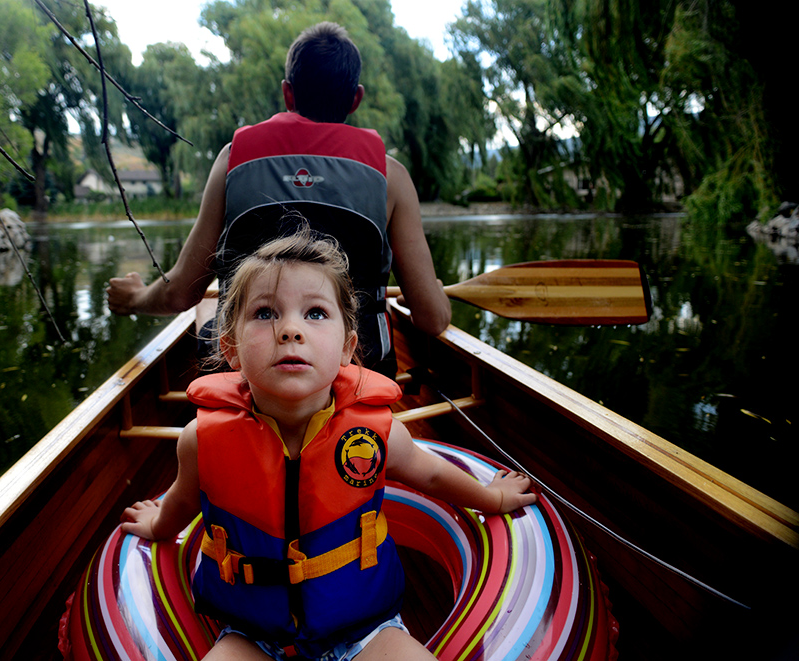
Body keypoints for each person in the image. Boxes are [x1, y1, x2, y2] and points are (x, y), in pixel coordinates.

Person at [120, 228, 536, 661]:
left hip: (365, 629)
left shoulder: (376, 434)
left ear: (347, 346)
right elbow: (184, 501)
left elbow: (430, 472)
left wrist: (490, 498)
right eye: (265, 313)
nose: (291, 330)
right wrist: (157, 527)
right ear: (231, 349)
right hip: (251, 634)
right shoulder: (200, 441)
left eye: (315, 313)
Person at [106, 22, 450, 375]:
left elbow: (180, 293)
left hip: (249, 377)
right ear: (355, 99)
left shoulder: (232, 160)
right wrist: (432, 293)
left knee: (206, 309)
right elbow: (432, 318)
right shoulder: (390, 175)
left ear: (288, 93)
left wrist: (134, 297)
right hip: (355, 374)